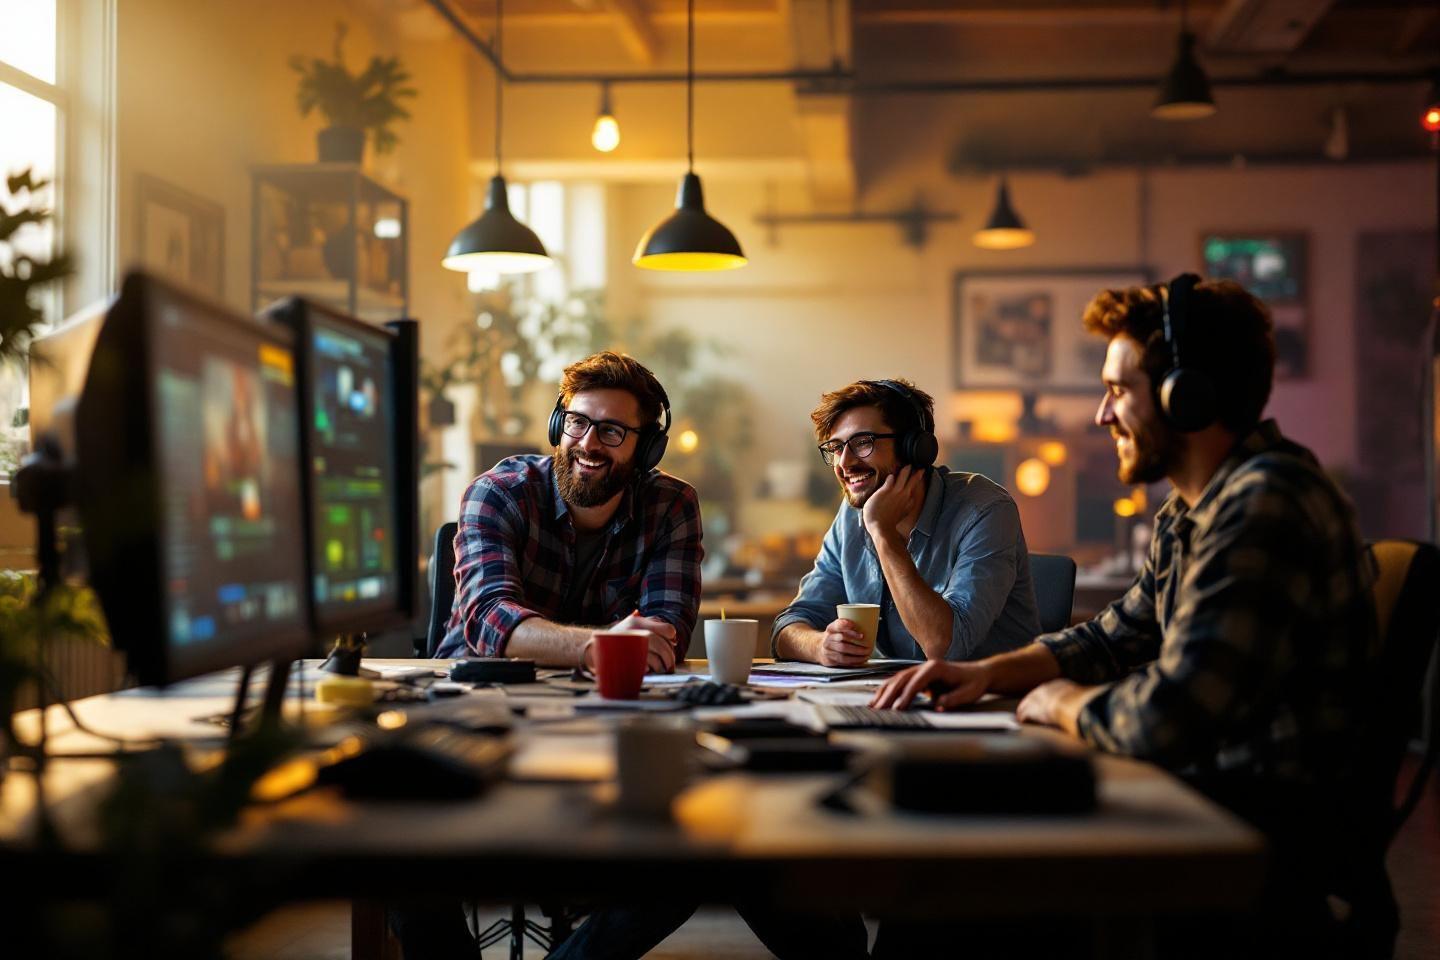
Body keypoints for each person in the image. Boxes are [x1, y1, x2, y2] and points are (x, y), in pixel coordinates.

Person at [873, 275, 1378, 955]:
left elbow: (1167, 718)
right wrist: (985, 673)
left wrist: (1057, 703)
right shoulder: (1195, 510)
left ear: (1186, 395)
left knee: (944, 890)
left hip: (1248, 835)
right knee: (944, 857)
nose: (1103, 417)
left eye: (1118, 391)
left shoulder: (1265, 503)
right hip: (1202, 803)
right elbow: (1114, 635)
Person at [434, 351, 699, 672]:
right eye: (577, 422)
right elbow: (490, 620)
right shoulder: (498, 494)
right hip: (478, 689)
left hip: (604, 698)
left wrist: (620, 647)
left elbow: (666, 634)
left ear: (647, 451)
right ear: (558, 425)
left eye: (612, 430)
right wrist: (600, 646)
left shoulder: (670, 506)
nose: (588, 444)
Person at [773, 378, 1040, 666]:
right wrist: (820, 646)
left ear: (915, 448)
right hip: (901, 697)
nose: (844, 463)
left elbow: (946, 648)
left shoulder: (985, 510)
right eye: (836, 448)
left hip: (996, 702)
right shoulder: (851, 516)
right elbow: (787, 627)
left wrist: (882, 533)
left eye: (863, 442)